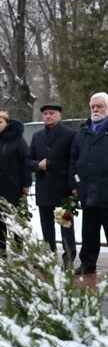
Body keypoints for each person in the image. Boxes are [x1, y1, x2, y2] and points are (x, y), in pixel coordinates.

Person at [25, 103, 77, 265]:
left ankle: (68, 258)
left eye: (51, 113)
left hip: (63, 189)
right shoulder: (37, 136)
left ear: (59, 115)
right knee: (46, 226)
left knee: (65, 225)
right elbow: (28, 160)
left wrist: (52, 166)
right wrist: (38, 165)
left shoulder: (70, 135)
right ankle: (48, 256)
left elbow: (73, 161)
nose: (48, 116)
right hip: (43, 188)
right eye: (45, 114)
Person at [0, 112, 32, 257]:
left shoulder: (17, 141)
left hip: (13, 186)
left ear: (7, 123)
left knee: (16, 218)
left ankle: (18, 248)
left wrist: (26, 183)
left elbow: (25, 163)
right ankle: (1, 248)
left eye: (0, 122)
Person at [69, 92, 108, 275]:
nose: (95, 109)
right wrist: (75, 183)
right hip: (87, 189)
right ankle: (87, 263)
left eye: (99, 106)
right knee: (89, 231)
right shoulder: (83, 131)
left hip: (106, 189)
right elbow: (74, 160)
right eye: (93, 106)